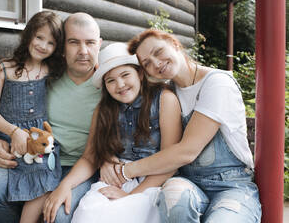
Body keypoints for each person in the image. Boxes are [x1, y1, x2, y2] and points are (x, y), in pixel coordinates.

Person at [102, 29, 261, 222]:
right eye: (147, 63)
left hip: (230, 185)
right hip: (189, 183)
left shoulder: (217, 84)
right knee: (173, 195)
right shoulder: (168, 94)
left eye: (158, 52)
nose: (156, 63)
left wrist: (125, 171)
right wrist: (108, 159)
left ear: (175, 44)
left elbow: (187, 151)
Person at [0, 12, 102, 223]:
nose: (83, 51)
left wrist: (65, 185)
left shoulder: (108, 86)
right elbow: (8, 111)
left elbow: (96, 153)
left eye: (90, 42)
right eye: (73, 42)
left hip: (78, 168)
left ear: (99, 44)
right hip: (30, 157)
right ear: (63, 47)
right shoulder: (49, 75)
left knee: (59, 216)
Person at [43, 42, 182, 223]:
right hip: (115, 179)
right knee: (89, 214)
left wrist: (130, 195)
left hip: (154, 182)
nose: (120, 84)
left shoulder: (164, 100)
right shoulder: (104, 110)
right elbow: (90, 157)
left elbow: (170, 163)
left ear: (139, 74)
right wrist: (65, 185)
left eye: (125, 75)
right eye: (111, 80)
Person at [0, 10, 63, 223]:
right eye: (39, 37)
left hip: (38, 142)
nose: (43, 46)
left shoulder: (50, 71)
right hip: (11, 144)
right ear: (29, 35)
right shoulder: (4, 68)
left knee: (42, 180)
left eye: (51, 43)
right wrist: (14, 131)